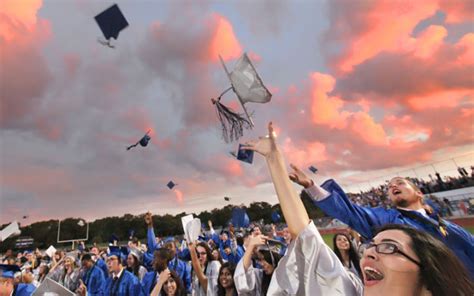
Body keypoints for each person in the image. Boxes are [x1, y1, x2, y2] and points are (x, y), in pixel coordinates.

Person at [243, 122, 474, 295]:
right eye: (371, 244)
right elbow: (308, 239)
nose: (369, 253)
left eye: (389, 248)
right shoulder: (387, 219)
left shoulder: (449, 230)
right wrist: (275, 160)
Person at [290, 164, 474, 276]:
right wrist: (311, 186)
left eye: (400, 182)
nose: (393, 186)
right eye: (389, 186)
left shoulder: (446, 226)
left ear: (419, 192)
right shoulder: (387, 220)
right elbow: (350, 212)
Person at [145, 212, 192, 293]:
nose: (168, 249)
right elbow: (153, 245)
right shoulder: (160, 264)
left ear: (176, 250)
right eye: (166, 247)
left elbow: (188, 287)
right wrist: (150, 226)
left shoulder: (184, 266)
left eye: (170, 246)